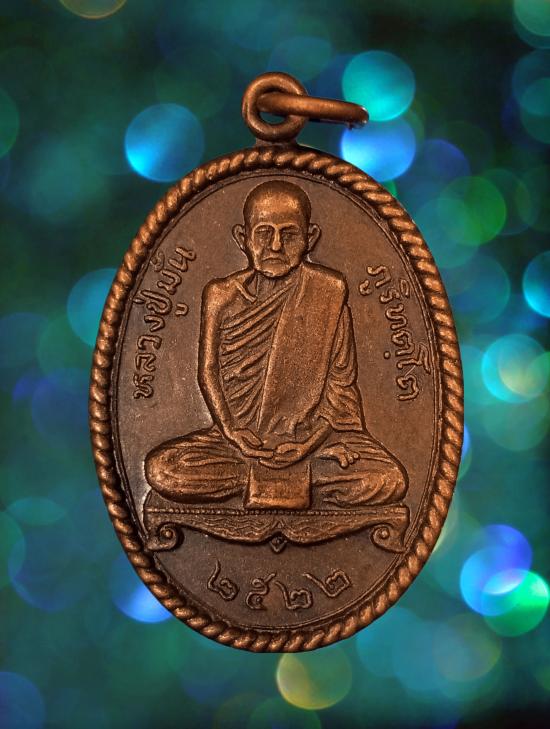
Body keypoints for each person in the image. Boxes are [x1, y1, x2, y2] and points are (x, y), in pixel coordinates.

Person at [145, 180, 407, 509]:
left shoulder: (328, 292)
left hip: (311, 441)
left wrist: (308, 444)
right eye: (264, 233)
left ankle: (271, 480)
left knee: (388, 479)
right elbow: (208, 371)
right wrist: (232, 431)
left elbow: (340, 387)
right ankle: (287, 482)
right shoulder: (221, 296)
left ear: (310, 239)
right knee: (164, 469)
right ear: (243, 238)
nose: (276, 246)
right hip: (236, 443)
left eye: (290, 234)